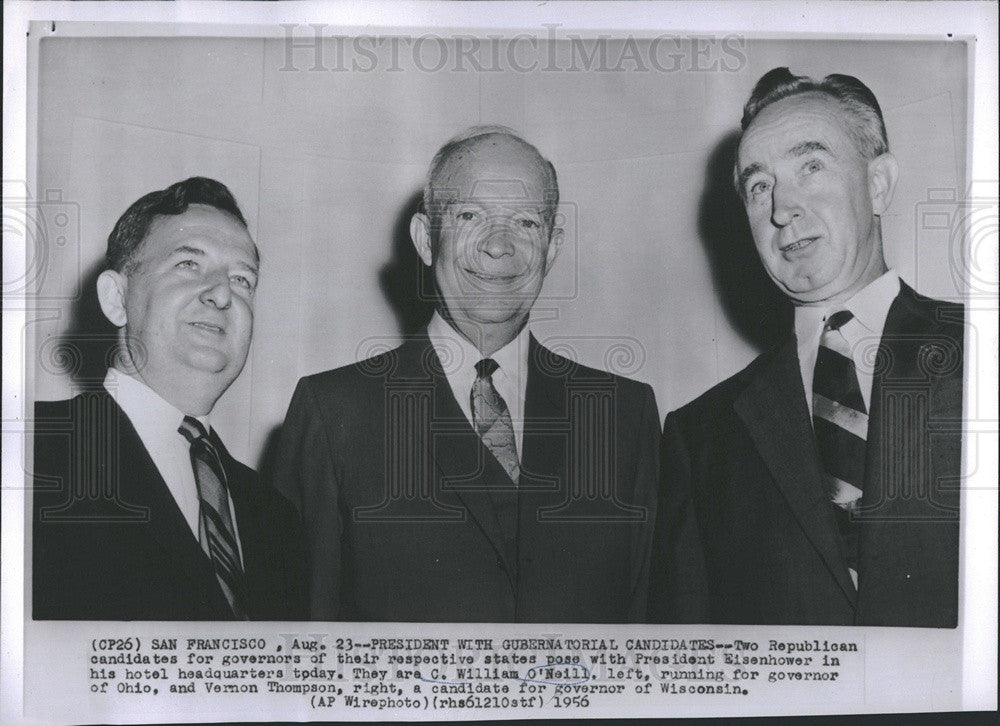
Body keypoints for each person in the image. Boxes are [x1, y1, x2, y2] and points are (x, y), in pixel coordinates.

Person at [273, 127, 660, 622]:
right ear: (425, 238)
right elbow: (300, 641)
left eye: (525, 221)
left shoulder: (624, 416)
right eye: (470, 215)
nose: (499, 246)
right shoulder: (334, 412)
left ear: (553, 247)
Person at [648, 68, 964, 627]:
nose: (781, 208)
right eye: (759, 186)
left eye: (811, 166)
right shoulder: (700, 437)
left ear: (879, 184)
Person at [32, 177, 305, 620]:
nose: (222, 293)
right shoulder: (30, 453)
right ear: (116, 298)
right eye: (188, 265)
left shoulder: (276, 517)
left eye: (243, 279)